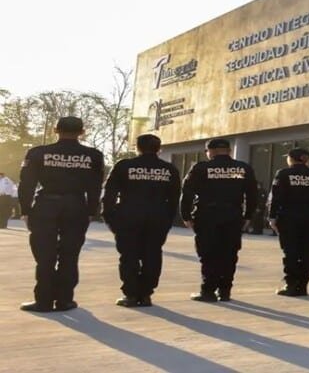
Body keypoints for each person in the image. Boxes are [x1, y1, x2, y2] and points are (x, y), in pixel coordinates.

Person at [18, 117, 104, 312]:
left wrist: (25, 210)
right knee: (70, 254)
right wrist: (91, 211)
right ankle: (65, 300)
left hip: (46, 205)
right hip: (76, 206)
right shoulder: (93, 155)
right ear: (82, 131)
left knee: (44, 255)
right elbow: (95, 187)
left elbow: (27, 184)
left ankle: (43, 301)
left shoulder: (38, 153)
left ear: (55, 129)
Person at [101, 134, 181, 307]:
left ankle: (130, 294)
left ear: (137, 147)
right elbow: (174, 198)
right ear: (159, 149)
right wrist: (168, 219)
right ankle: (145, 294)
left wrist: (109, 216)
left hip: (128, 216)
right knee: (152, 254)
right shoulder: (169, 169)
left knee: (128, 255)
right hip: (157, 217)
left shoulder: (124, 166)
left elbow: (109, 193)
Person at [180, 138, 258, 302]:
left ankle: (208, 290)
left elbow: (187, 193)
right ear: (229, 150)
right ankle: (225, 291)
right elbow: (252, 195)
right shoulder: (243, 168)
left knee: (208, 253)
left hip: (207, 215)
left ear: (211, 151)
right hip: (233, 215)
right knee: (229, 254)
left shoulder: (201, 168)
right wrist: (248, 216)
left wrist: (186, 216)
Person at [268, 148, 309, 296]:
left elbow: (276, 197)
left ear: (291, 158)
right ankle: (303, 285)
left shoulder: (284, 173)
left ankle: (291, 284)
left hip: (289, 217)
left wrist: (272, 217)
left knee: (290, 251)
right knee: (307, 251)